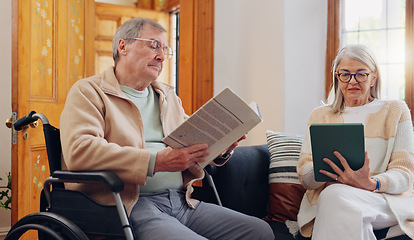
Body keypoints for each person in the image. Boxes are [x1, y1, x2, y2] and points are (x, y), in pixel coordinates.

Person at [59, 17, 274, 240]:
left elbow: (191, 145)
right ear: (123, 46)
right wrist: (157, 161)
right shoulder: (89, 92)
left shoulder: (167, 96)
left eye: (165, 49)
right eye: (154, 45)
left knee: (259, 232)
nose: (161, 56)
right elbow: (80, 151)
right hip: (130, 204)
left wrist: (222, 146)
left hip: (182, 201)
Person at [296, 44, 414, 240]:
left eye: (361, 74)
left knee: (333, 196)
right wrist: (328, 170)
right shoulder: (320, 116)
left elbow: (405, 174)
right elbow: (306, 178)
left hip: (382, 200)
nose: (352, 81)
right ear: (337, 77)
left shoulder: (395, 111)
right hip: (336, 201)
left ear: (373, 77)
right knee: (337, 197)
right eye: (345, 74)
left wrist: (372, 183)